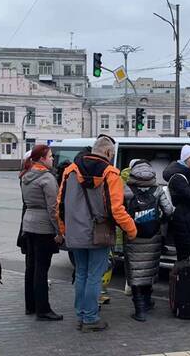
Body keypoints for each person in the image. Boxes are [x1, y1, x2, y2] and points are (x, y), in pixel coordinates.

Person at [57, 134, 137, 333]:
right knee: (94, 276)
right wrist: (131, 229)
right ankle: (91, 318)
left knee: (82, 274)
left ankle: (81, 315)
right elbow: (116, 209)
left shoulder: (70, 170)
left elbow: (59, 205)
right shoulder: (111, 174)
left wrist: (63, 229)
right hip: (98, 234)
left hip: (75, 233)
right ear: (108, 153)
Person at [123, 159, 173, 322]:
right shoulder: (157, 189)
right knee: (149, 268)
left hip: (133, 236)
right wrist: (159, 223)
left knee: (135, 271)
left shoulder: (127, 189)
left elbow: (119, 211)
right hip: (153, 235)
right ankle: (147, 301)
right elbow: (168, 210)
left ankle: (139, 310)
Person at [20, 145, 64, 321]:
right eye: (50, 156)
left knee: (30, 267)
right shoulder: (47, 178)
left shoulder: (26, 176)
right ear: (42, 159)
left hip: (28, 223)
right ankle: (43, 309)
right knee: (42, 269)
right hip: (43, 227)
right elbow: (53, 209)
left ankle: (30, 305)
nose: (53, 159)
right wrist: (59, 231)